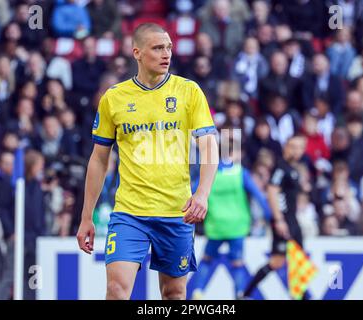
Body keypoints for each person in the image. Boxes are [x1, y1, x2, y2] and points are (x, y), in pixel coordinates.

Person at [76, 23, 219, 300]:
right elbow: (98, 159)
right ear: (137, 53)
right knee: (116, 290)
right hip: (130, 212)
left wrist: (202, 193)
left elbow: (209, 146)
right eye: (157, 48)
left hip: (177, 211)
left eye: (169, 48)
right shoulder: (114, 98)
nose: (166, 54)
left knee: (174, 293)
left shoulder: (189, 92)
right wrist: (86, 216)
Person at [191, 145, 272, 299]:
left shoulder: (209, 173)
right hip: (237, 226)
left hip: (216, 225)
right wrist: (269, 217)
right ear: (233, 153)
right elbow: (259, 196)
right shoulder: (241, 173)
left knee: (207, 260)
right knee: (237, 264)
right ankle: (239, 294)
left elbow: (192, 190)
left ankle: (198, 291)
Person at [241, 134, 310, 299]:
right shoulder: (281, 168)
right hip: (284, 220)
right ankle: (246, 293)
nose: (297, 151)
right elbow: (272, 191)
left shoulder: (293, 169)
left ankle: (301, 295)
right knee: (277, 261)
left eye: (300, 147)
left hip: (292, 220)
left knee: (298, 260)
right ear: (286, 147)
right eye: (294, 146)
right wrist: (278, 219)